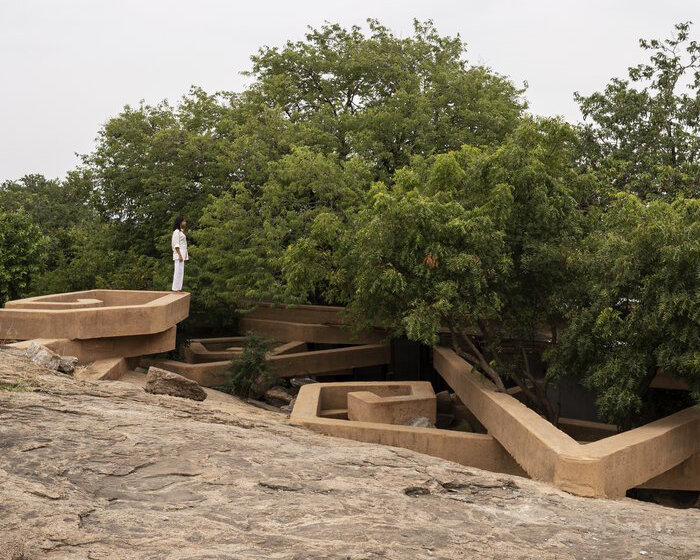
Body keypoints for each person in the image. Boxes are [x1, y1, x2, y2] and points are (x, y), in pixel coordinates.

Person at [171, 216, 188, 292]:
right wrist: (180, 255)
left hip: (182, 255)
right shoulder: (176, 232)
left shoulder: (181, 231)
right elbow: (176, 244)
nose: (185, 222)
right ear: (180, 222)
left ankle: (178, 288)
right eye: (184, 221)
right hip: (179, 255)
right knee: (177, 271)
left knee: (181, 272)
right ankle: (175, 288)